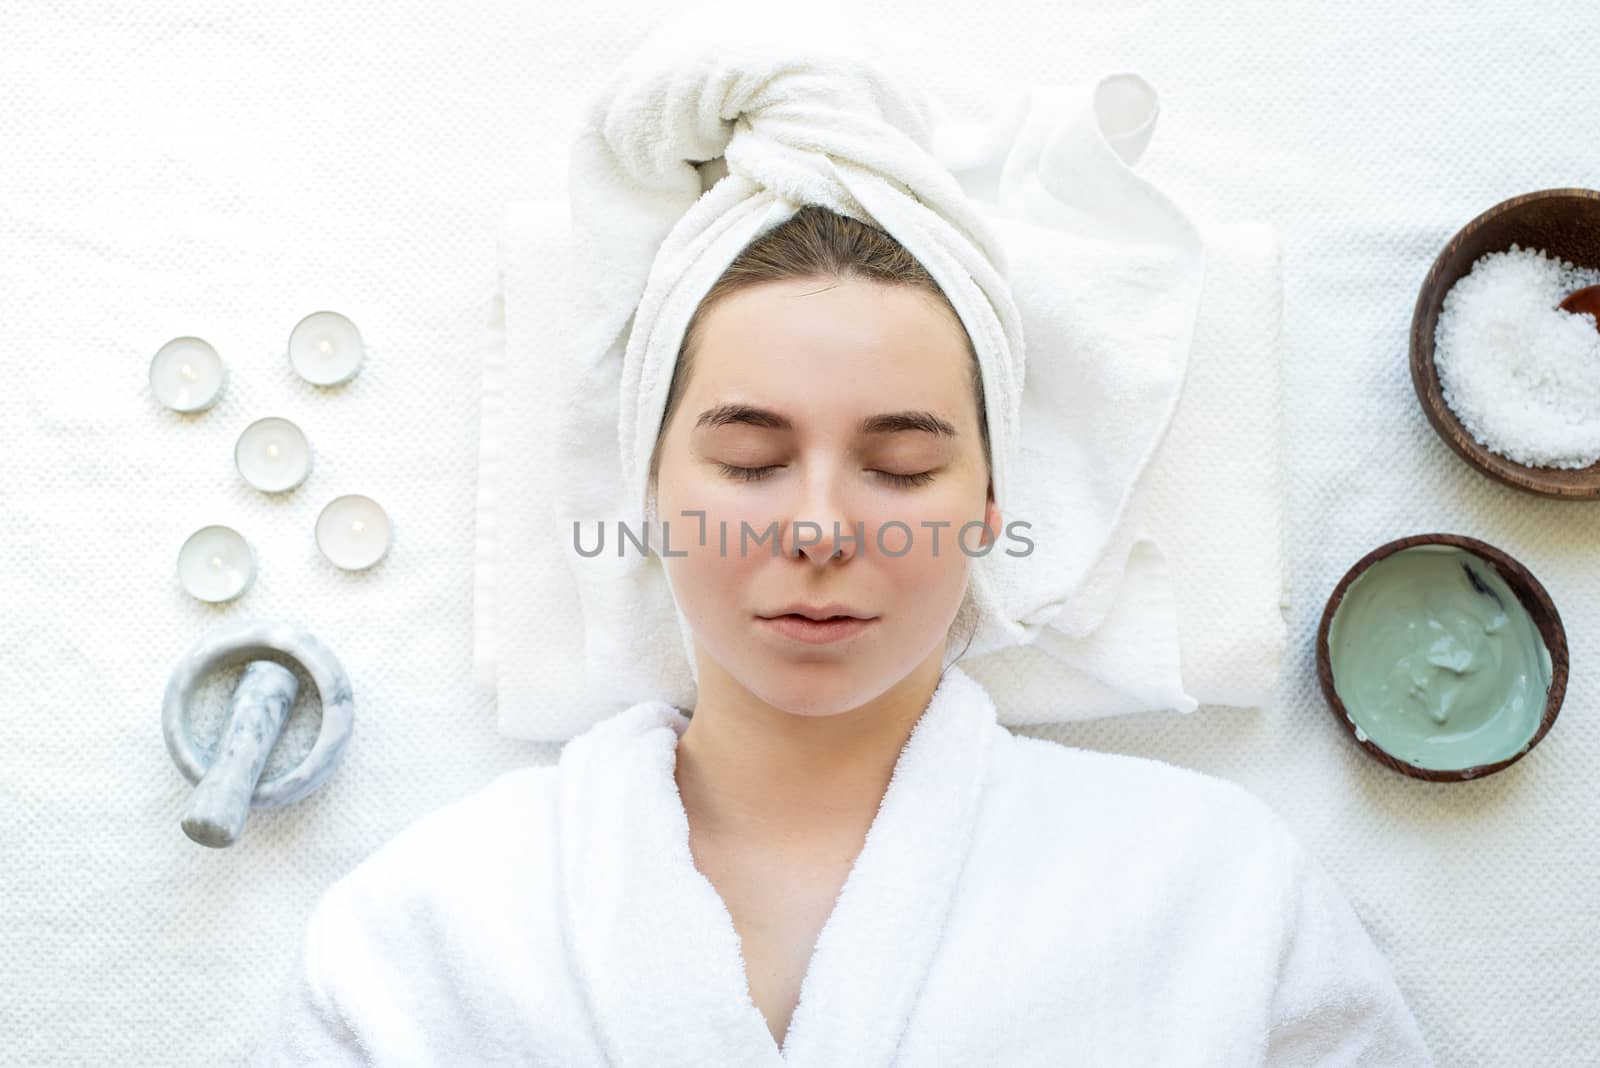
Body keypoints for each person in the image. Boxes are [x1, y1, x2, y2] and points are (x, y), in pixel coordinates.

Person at [251, 205, 1435, 1066]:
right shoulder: (426, 927)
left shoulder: (1213, 891)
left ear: (985, 517)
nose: (819, 526)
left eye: (901, 465)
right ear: (650, 499)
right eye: (752, 462)